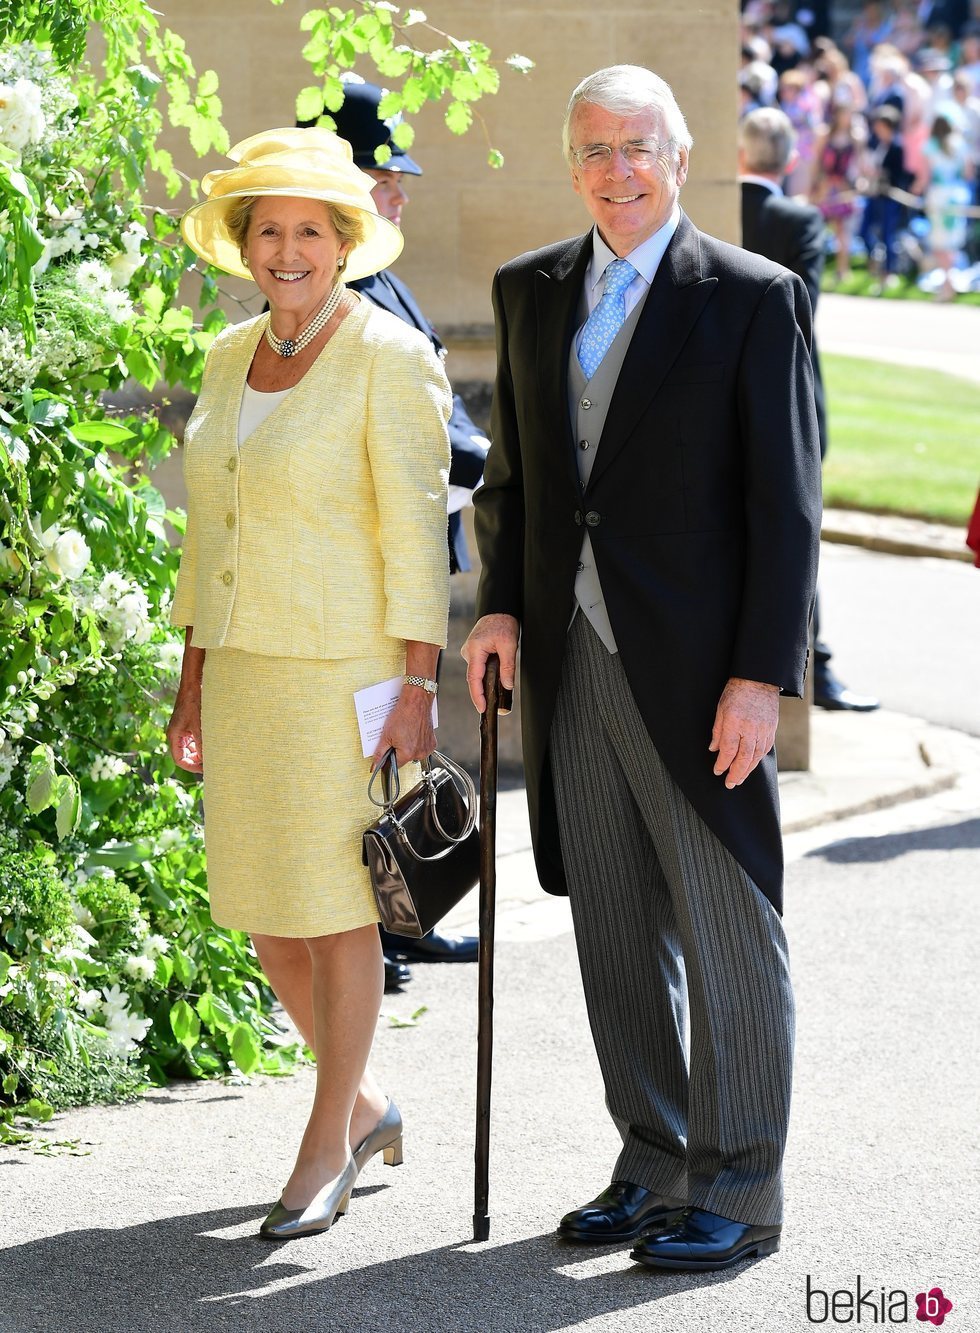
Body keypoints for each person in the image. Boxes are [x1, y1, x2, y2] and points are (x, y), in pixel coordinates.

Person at [462, 64, 822, 1272]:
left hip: (696, 670)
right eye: (594, 149)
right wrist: (500, 609)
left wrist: (758, 677)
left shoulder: (750, 297)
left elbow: (785, 510)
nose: (617, 170)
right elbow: (509, 481)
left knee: (727, 930)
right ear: (571, 162)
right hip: (568, 660)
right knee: (612, 929)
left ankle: (740, 1185)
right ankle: (652, 1157)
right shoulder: (528, 292)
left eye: (638, 148)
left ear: (677, 157)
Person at [167, 127, 452, 1239]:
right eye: (268, 230)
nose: (287, 250)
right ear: (245, 246)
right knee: (262, 913)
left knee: (340, 912)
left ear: (343, 243)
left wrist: (416, 687)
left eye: (310, 231)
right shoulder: (225, 356)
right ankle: (372, 1106)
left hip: (349, 672)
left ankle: (325, 1142)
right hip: (242, 670)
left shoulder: (388, 355)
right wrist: (192, 675)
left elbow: (416, 540)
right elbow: (208, 535)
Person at [325, 77, 486, 976]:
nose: (401, 191)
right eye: (384, 177)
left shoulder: (381, 276)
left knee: (392, 746)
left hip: (422, 544)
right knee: (365, 753)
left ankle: (396, 917)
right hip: (375, 566)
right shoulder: (345, 288)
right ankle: (369, 929)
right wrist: (497, 470)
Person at [739, 107, 880, 712]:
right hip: (787, 395)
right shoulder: (798, 218)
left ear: (739, 156)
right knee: (793, 534)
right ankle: (813, 668)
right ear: (792, 161)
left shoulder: (708, 208)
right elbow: (802, 313)